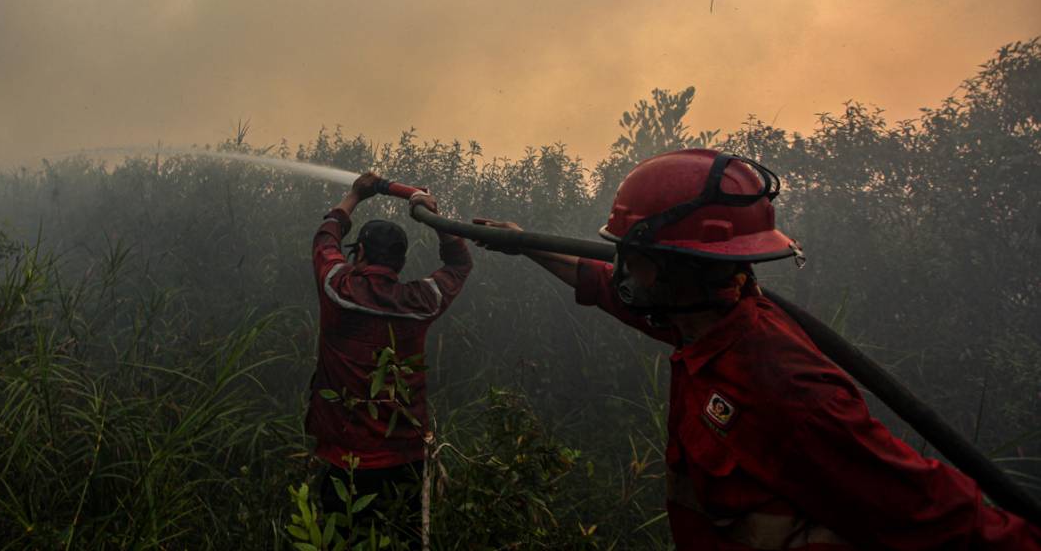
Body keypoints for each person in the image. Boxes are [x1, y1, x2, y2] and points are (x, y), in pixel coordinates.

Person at [475, 149, 1040, 550]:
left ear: (676, 267)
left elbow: (928, 510)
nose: (622, 267)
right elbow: (609, 290)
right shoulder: (703, 324)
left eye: (631, 254)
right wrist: (522, 244)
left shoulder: (782, 382)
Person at [306, 172, 472, 533]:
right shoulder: (420, 302)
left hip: (344, 463)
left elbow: (325, 238)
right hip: (405, 461)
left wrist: (354, 196)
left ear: (361, 252)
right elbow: (459, 264)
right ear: (400, 262)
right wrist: (437, 218)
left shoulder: (338, 288)